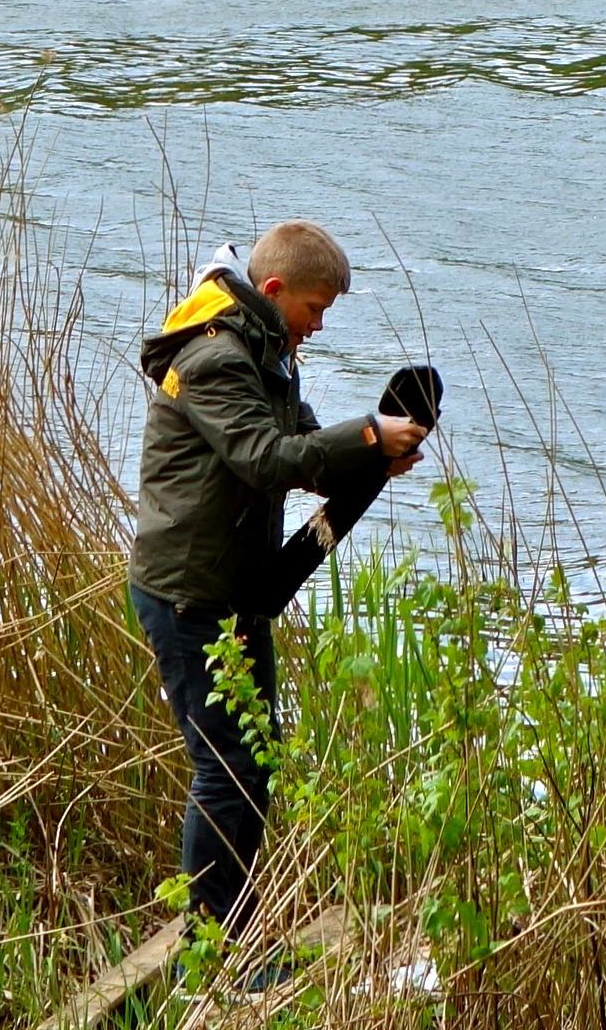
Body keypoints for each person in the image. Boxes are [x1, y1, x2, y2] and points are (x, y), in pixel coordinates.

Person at [127, 220, 430, 943]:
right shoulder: (215, 358)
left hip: (238, 591)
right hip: (186, 595)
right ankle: (210, 945)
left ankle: (230, 932)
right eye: (314, 309)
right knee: (225, 770)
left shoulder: (270, 350)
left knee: (255, 759)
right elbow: (263, 458)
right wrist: (363, 438)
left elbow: (301, 440)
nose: (319, 326)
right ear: (272, 291)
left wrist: (371, 460)